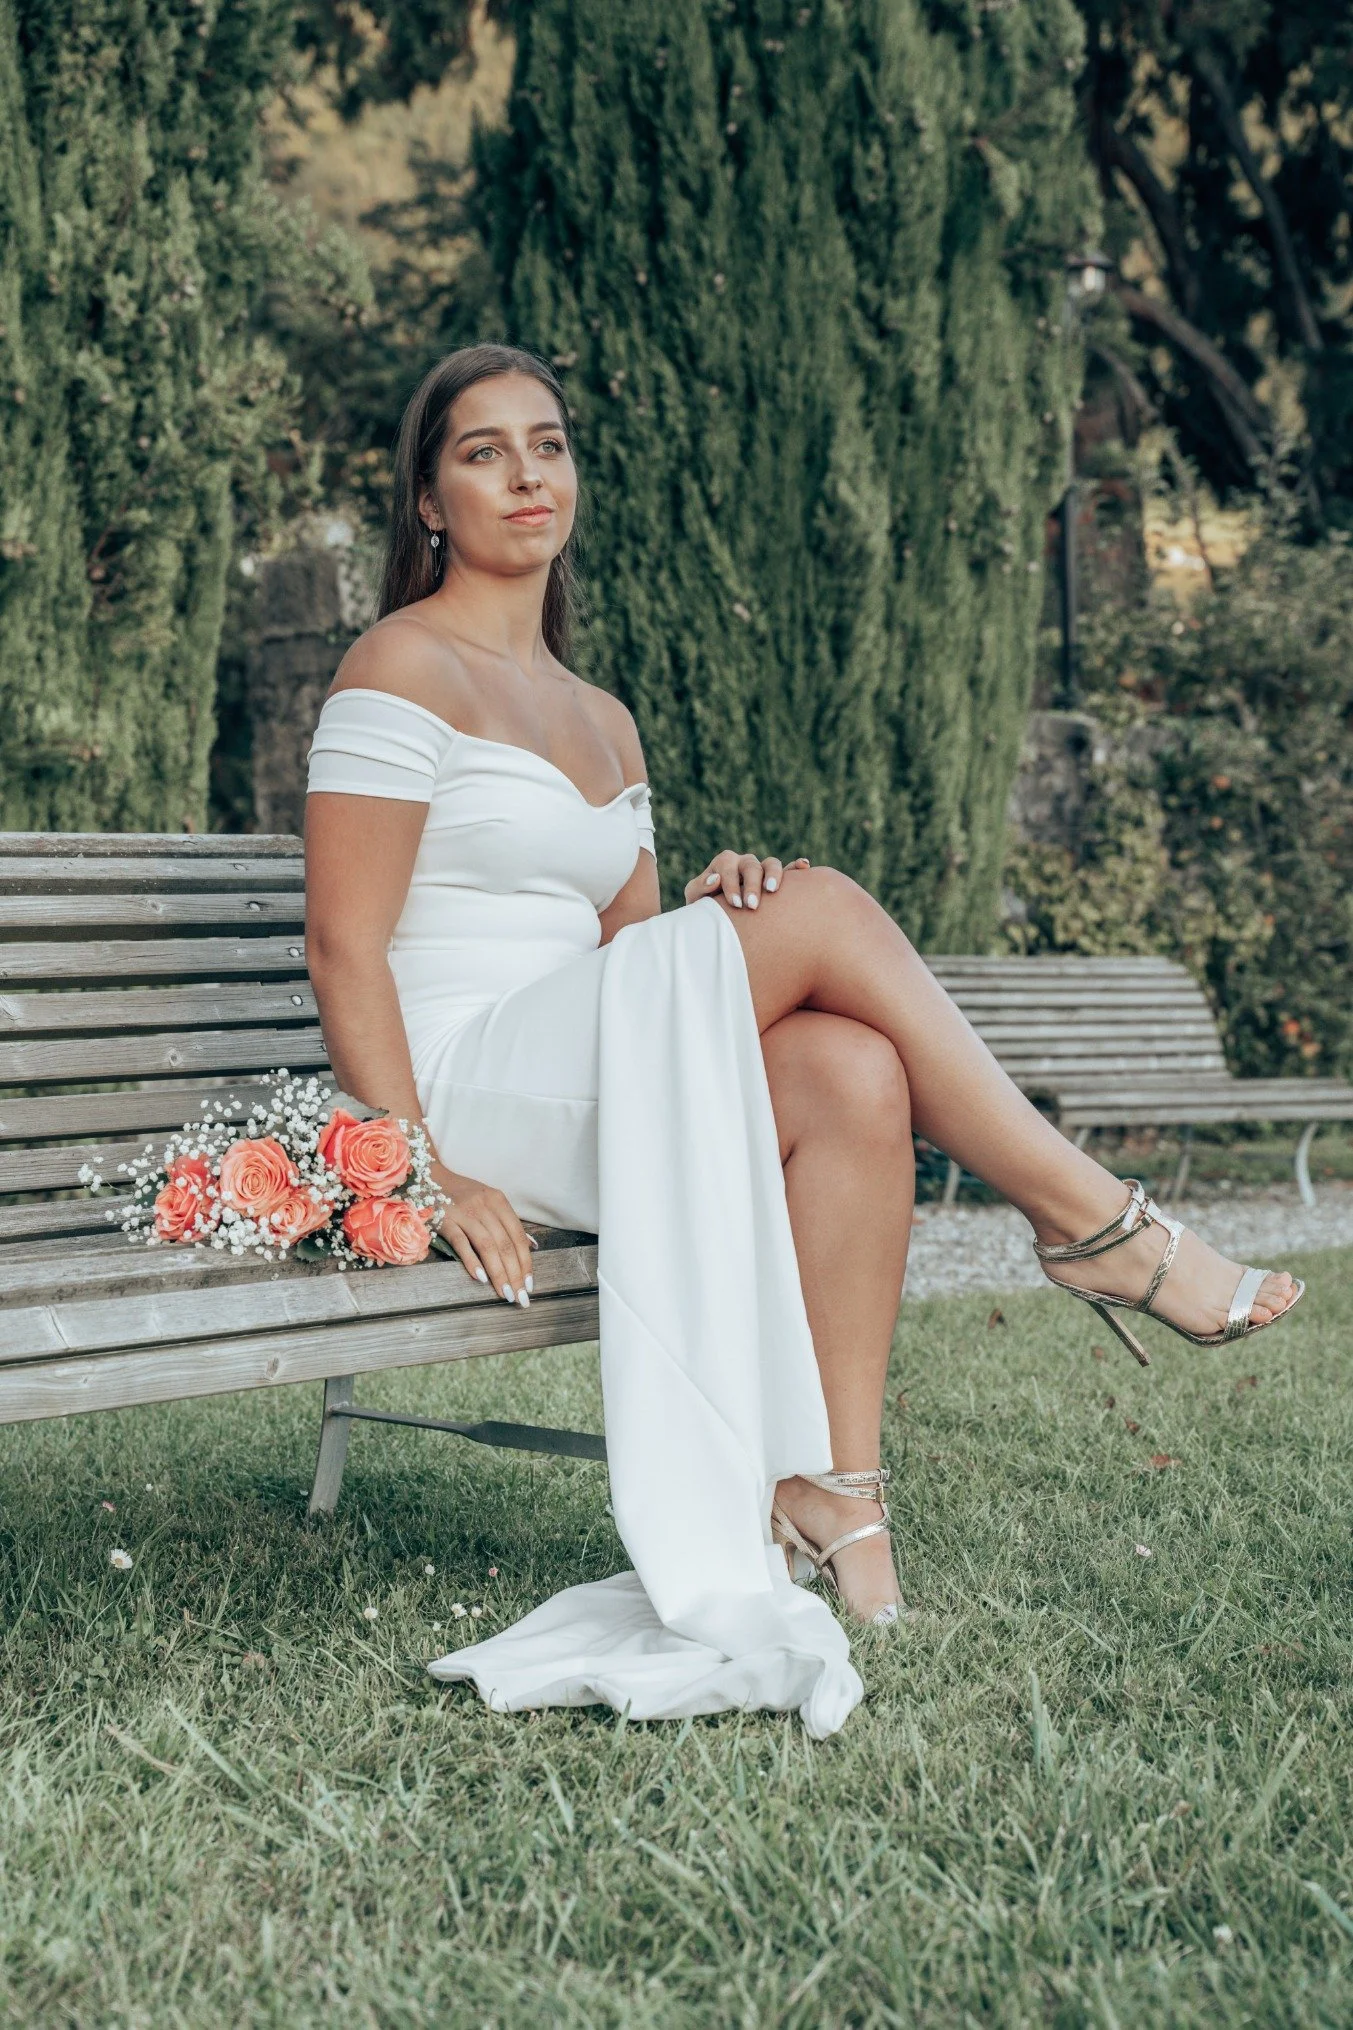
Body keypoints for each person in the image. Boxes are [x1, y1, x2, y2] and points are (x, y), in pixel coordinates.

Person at [304, 342, 1302, 1736]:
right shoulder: (398, 664)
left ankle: (841, 1495)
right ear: (429, 500)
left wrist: (718, 917)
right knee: (819, 908)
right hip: (465, 1087)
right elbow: (345, 946)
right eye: (484, 452)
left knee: (851, 1071)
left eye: (550, 444)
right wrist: (420, 1165)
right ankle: (1098, 1224)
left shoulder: (604, 721)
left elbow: (626, 969)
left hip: (582, 1066)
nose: (527, 474)